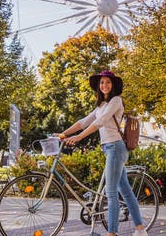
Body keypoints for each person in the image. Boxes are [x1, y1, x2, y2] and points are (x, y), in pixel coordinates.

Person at [53, 70, 148, 236]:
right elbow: (83, 122)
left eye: (108, 82)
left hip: (116, 148)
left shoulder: (116, 101)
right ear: (98, 86)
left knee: (111, 193)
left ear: (113, 85)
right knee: (125, 191)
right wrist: (63, 134)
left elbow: (101, 122)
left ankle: (112, 233)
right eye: (102, 82)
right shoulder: (100, 105)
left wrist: (79, 138)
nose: (105, 85)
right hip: (109, 149)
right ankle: (140, 230)